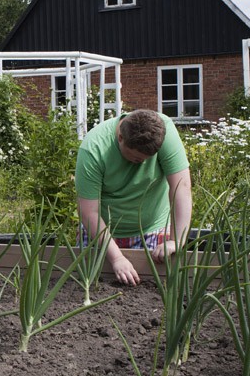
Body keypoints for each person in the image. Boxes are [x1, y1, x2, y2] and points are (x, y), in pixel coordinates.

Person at [74, 109, 192, 286]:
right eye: (137, 158)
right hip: (101, 232)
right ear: (121, 138)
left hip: (152, 228)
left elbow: (181, 187)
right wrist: (116, 258)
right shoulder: (94, 149)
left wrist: (176, 241)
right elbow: (89, 212)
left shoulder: (165, 131)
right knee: (85, 286)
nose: (144, 163)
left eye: (148, 158)